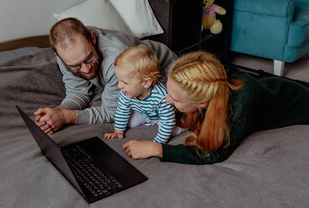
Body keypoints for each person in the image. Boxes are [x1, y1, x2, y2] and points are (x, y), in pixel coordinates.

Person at [122, 51, 309, 164]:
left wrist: (157, 149)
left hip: (298, 102)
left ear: (203, 102)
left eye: (176, 100)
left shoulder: (240, 106)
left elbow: (214, 154)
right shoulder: (211, 79)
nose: (168, 101)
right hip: (269, 85)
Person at [34, 18, 129, 134]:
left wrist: (67, 117)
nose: (86, 69)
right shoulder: (68, 57)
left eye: (89, 58)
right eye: (76, 66)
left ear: (93, 38)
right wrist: (58, 111)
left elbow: (114, 112)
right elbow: (78, 92)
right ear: (57, 55)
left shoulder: (116, 61)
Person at [104, 44, 176, 144]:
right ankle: (147, 120)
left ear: (146, 83)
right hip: (144, 112)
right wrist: (118, 131)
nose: (120, 86)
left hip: (161, 117)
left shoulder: (161, 97)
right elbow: (122, 109)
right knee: (130, 123)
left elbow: (167, 122)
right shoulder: (126, 92)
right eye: (118, 80)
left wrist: (156, 143)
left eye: (125, 82)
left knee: (172, 128)